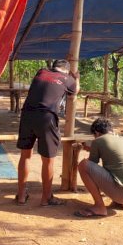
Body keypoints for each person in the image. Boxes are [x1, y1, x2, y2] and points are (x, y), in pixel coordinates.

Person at [16, 59, 78, 207]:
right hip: (46, 117)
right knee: (48, 159)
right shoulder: (68, 79)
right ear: (66, 70)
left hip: (27, 115)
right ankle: (46, 198)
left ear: (53, 67)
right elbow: (74, 93)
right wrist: (76, 78)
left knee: (25, 155)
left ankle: (21, 195)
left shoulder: (41, 72)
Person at [74, 118, 123, 218]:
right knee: (118, 170)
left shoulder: (98, 141)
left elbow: (91, 164)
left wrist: (91, 148)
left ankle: (99, 207)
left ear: (96, 132)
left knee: (83, 165)